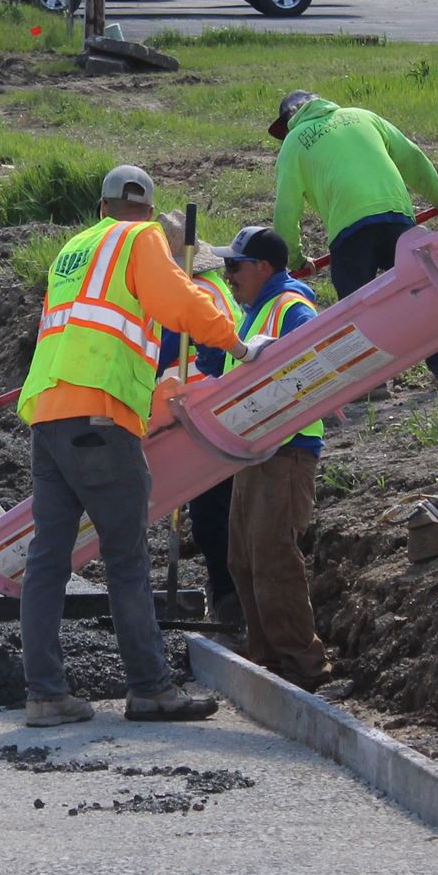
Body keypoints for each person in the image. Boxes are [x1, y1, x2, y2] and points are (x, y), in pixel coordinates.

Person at [18, 165, 253, 729]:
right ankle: (150, 689)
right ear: (149, 212)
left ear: (101, 207)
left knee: (46, 562)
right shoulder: (141, 238)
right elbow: (179, 305)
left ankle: (45, 693)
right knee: (126, 561)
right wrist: (237, 344)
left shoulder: (72, 250)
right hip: (100, 417)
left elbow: (89, 331)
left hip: (49, 413)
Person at [269, 90, 438, 397]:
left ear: (291, 118)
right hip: (397, 215)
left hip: (349, 229)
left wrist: (293, 259)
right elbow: (411, 157)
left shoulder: (294, 143)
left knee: (357, 309)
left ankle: (373, 384)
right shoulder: (363, 116)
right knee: (422, 292)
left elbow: (286, 210)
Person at [218, 227, 332, 689]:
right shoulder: (258, 309)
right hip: (255, 451)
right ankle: (266, 660)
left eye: (235, 267)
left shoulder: (291, 308)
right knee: (242, 559)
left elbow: (313, 363)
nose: (228, 276)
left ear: (262, 268)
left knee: (272, 558)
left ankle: (303, 665)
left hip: (286, 451)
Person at [154, 211, 241, 626]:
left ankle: (229, 598)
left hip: (204, 418)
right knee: (220, 513)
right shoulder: (217, 289)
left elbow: (163, 356)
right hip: (222, 414)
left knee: (211, 515)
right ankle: (230, 597)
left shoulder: (190, 298)